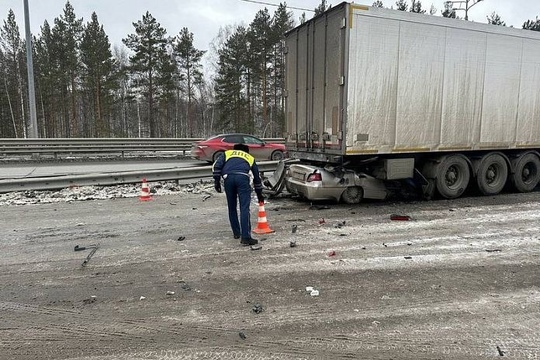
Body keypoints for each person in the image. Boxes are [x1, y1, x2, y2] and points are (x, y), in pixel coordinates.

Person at [212, 143, 265, 246]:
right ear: (246, 151)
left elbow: (217, 166)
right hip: (242, 178)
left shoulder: (227, 153)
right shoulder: (249, 157)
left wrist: (217, 182)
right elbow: (256, 178)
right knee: (244, 208)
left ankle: (236, 233)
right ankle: (245, 237)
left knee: (232, 207)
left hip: (228, 179)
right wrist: (259, 194)